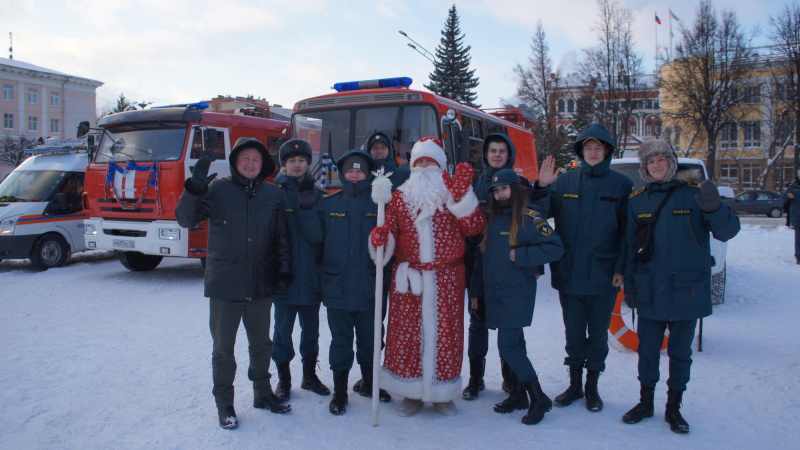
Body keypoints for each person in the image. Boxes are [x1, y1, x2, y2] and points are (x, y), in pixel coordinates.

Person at [621, 140, 740, 433]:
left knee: (680, 353)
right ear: (645, 168)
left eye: (662, 159)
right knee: (647, 351)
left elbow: (728, 231)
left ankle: (673, 407)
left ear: (672, 163)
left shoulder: (695, 196)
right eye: (651, 162)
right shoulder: (637, 201)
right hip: (650, 289)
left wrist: (714, 209)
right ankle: (645, 402)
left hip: (686, 290)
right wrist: (630, 286)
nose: (657, 165)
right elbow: (628, 248)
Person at [176, 137, 292, 430]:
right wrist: (194, 188)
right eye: (245, 159)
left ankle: (263, 394)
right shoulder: (218, 189)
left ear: (262, 163)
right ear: (235, 162)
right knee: (223, 349)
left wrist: (283, 271)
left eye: (256, 159)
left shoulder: (273, 194)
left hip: (260, 282)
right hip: (225, 284)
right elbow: (186, 219)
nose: (250, 164)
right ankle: (224, 403)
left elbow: (282, 238)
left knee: (262, 345)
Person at [370, 137, 485, 417]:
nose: (424, 167)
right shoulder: (398, 197)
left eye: (430, 162)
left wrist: (462, 198)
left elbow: (474, 228)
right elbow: (391, 236)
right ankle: (411, 393)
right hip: (410, 279)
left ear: (440, 165)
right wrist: (380, 239)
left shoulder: (452, 192)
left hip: (447, 279)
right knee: (407, 335)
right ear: (412, 166)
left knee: (446, 334)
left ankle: (443, 393)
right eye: (419, 162)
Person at [535, 123, 633, 412]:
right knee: (574, 332)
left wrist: (620, 267)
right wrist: (541, 186)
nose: (592, 152)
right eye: (588, 148)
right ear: (580, 151)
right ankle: (575, 385)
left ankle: (592, 388)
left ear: (607, 152)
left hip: (604, 275)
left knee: (599, 335)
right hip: (569, 272)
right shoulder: (564, 183)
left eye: (598, 148)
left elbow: (628, 232)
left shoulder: (621, 185)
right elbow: (539, 214)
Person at [298, 149, 390, 415]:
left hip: (369, 285)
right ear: (342, 173)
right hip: (336, 285)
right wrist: (306, 208)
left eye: (359, 171)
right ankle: (340, 392)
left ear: (367, 175)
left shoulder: (380, 205)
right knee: (340, 341)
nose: (354, 175)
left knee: (371, 340)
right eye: (350, 170)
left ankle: (369, 384)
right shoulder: (329, 203)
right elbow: (314, 236)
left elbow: (391, 245)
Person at [470, 169, 564, 425]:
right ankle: (520, 396)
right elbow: (481, 259)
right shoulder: (492, 219)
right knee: (516, 345)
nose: (500, 194)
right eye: (496, 190)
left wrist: (521, 257)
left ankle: (538, 397)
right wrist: (476, 292)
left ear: (515, 189)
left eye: (504, 189)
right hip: (494, 293)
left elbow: (555, 247)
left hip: (516, 293)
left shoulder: (528, 218)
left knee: (508, 346)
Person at [463, 133, 537, 400]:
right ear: (486, 155)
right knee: (478, 322)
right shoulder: (473, 185)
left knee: (510, 325)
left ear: (509, 155)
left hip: (509, 268)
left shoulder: (520, 184)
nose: (496, 155)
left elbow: (532, 223)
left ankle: (512, 377)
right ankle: (475, 379)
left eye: (502, 151)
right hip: (479, 264)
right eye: (492, 150)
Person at [271, 139, 330, 403]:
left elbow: (319, 236)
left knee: (311, 330)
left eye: (302, 160)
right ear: (284, 164)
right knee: (282, 331)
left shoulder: (317, 195)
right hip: (283, 276)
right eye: (292, 161)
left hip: (311, 276)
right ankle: (284, 380)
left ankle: (309, 376)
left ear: (308, 163)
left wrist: (307, 207)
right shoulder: (273, 193)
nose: (297, 165)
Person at [780, 170, 800, 264]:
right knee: (799, 238)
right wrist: (788, 194)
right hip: (797, 216)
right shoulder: (793, 187)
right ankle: (799, 257)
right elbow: (783, 196)